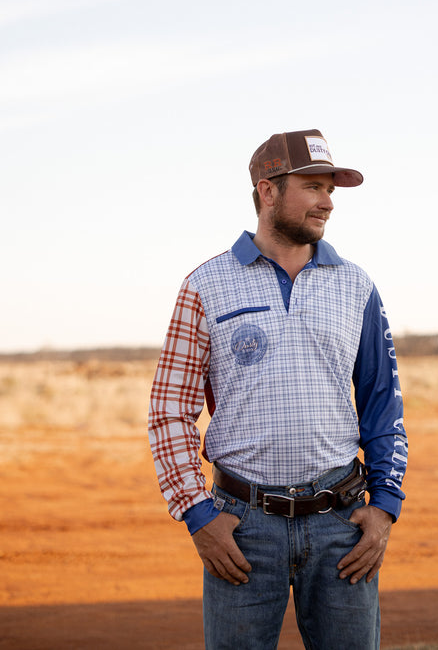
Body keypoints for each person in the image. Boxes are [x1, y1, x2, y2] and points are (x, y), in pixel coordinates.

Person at [148, 128, 407, 650]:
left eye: (330, 190)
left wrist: (384, 505)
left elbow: (382, 402)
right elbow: (169, 410)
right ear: (268, 192)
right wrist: (199, 515)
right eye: (313, 186)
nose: (327, 202)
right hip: (240, 527)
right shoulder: (206, 285)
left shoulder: (355, 284)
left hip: (341, 522)